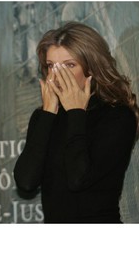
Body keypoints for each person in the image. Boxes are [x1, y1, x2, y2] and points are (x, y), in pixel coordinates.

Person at [13, 21, 139, 223]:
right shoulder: (44, 116)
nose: (58, 74)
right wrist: (47, 113)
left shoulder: (117, 115)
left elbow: (78, 179)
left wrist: (75, 111)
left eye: (69, 65)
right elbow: (26, 182)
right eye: (51, 66)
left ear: (91, 68)